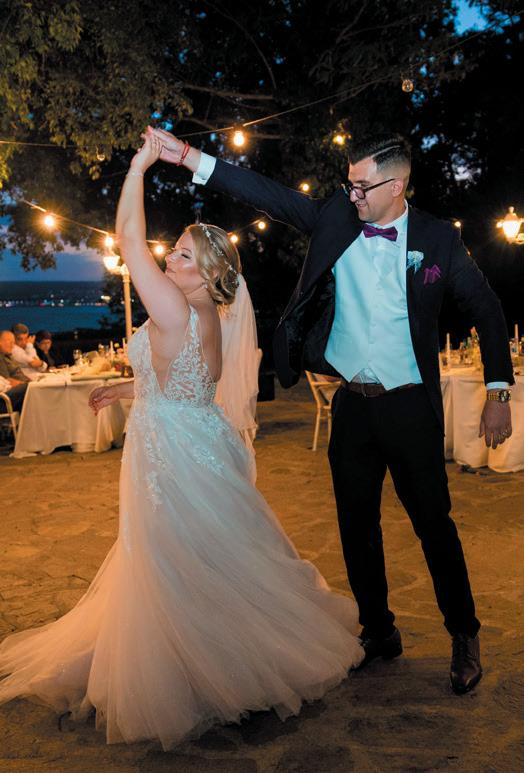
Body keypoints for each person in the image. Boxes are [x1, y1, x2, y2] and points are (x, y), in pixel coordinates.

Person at [0, 132, 364, 750]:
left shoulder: (173, 309)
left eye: (185, 256)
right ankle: (221, 654)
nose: (170, 259)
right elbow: (186, 385)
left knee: (171, 563)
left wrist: (140, 168)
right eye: (176, 251)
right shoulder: (208, 317)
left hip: (170, 459)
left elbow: (128, 238)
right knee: (206, 560)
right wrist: (128, 389)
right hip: (199, 442)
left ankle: (192, 675)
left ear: (210, 274)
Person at [146, 126, 514, 695]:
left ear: (396, 186)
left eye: (363, 187)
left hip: (410, 406)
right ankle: (379, 630)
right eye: (349, 184)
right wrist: (191, 158)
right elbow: (267, 193)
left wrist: (497, 392)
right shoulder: (336, 219)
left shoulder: (438, 240)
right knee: (355, 525)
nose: (353, 195)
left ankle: (464, 634)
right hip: (352, 407)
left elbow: (487, 309)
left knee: (433, 525)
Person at [0, 331, 29, 412]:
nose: (12, 345)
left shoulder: (8, 356)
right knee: (29, 388)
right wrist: (27, 384)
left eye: (13, 342)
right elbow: (7, 380)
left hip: (13, 390)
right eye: (10, 342)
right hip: (4, 397)